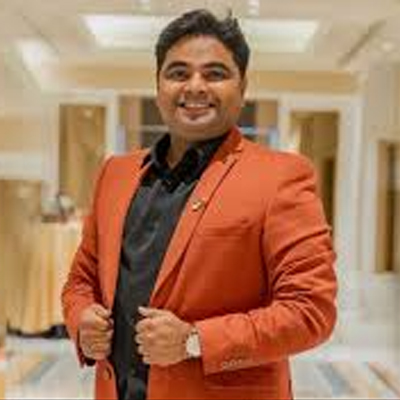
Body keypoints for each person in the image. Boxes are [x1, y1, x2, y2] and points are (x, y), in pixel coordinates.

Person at [62, 9, 337, 400]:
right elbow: (81, 280)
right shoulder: (116, 174)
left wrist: (195, 340)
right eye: (178, 73)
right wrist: (81, 319)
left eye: (215, 73)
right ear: (158, 85)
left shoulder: (282, 177)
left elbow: (311, 311)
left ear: (243, 86)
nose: (194, 86)